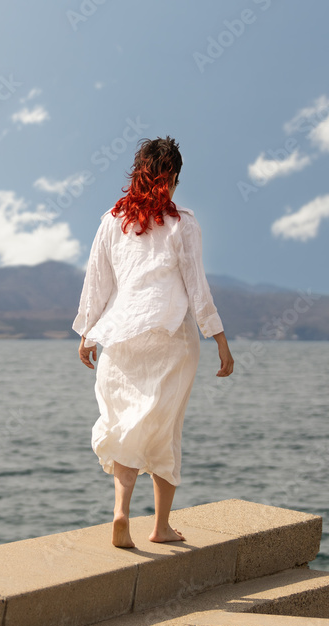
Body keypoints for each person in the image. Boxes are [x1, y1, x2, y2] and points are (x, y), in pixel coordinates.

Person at [72, 136, 234, 549]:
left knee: (126, 423)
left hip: (122, 335)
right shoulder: (183, 223)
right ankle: (161, 527)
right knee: (165, 428)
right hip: (172, 336)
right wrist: (219, 339)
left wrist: (89, 332)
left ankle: (121, 511)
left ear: (138, 174)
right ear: (173, 178)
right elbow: (197, 287)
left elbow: (97, 283)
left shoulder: (111, 220)